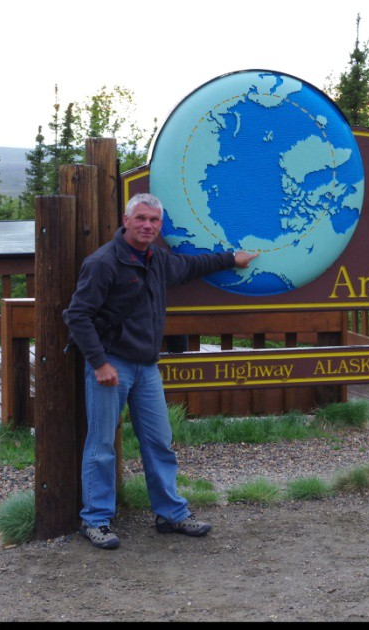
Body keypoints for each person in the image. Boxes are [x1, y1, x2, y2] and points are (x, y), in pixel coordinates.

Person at [63, 192, 258, 550]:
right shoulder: (103, 263)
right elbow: (77, 314)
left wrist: (232, 258)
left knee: (159, 442)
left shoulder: (158, 260)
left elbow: (192, 267)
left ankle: (170, 513)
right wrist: (99, 362)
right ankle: (95, 520)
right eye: (141, 219)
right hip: (112, 365)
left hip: (147, 367)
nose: (148, 226)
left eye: (154, 221)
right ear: (126, 220)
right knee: (102, 444)